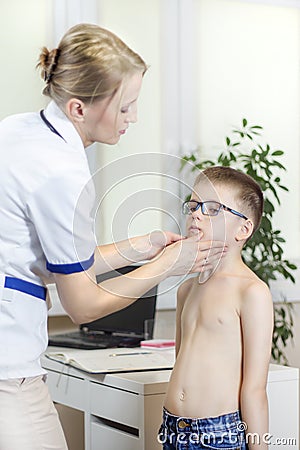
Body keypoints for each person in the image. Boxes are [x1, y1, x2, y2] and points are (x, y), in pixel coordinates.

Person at [0, 24, 227, 450]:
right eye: (125, 107)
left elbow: (51, 259)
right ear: (79, 108)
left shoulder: (18, 130)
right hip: (7, 367)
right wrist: (165, 265)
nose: (134, 118)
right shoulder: (60, 172)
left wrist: (137, 248)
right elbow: (83, 304)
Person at [158, 166, 274, 450]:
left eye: (212, 209)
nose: (196, 214)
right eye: (194, 206)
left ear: (243, 229)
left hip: (218, 436)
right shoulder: (187, 288)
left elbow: (254, 389)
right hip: (173, 428)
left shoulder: (251, 292)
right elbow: (181, 360)